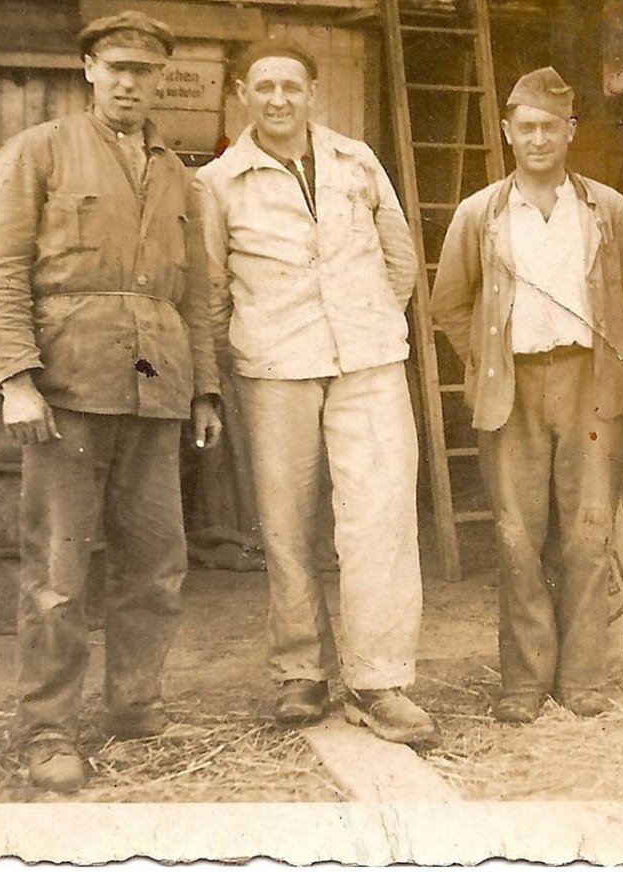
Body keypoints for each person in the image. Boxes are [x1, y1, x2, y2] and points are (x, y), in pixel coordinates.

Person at [0, 11, 224, 792]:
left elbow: (195, 294)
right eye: (117, 68)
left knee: (156, 564)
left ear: (159, 80)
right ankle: (47, 728)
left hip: (157, 393)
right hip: (68, 390)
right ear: (89, 69)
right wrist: (17, 377)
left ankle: (135, 703)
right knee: (58, 571)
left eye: (144, 71)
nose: (130, 83)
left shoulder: (177, 175)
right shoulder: (39, 151)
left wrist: (205, 389)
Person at [191, 40, 434, 745]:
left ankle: (378, 681)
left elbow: (399, 257)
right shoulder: (218, 183)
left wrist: (370, 320)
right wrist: (248, 350)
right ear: (242, 93)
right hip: (275, 367)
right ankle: (301, 671)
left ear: (312, 92)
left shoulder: (357, 162)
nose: (278, 99)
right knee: (286, 524)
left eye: (291, 86)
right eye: (263, 86)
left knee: (379, 517)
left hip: (369, 361)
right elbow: (210, 289)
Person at [430, 67, 623, 724]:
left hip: (590, 385)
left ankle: (583, 677)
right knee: (517, 536)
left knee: (588, 531)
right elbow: (448, 302)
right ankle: (523, 682)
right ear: (507, 132)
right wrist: (488, 361)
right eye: (526, 127)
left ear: (570, 130)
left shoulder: (606, 209)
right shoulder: (480, 213)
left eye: (551, 126)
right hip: (512, 388)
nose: (539, 138)